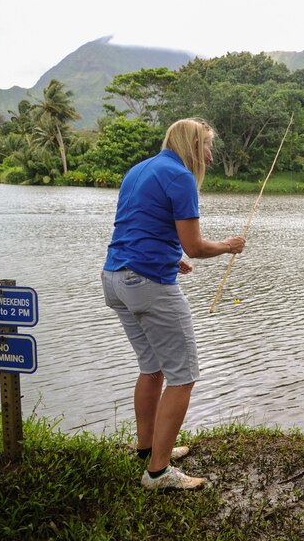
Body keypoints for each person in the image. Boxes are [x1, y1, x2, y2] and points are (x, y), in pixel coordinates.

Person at [101, 118, 246, 490]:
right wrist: (229, 246)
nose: (211, 156)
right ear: (194, 146)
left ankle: (147, 447)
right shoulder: (180, 176)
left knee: (152, 368)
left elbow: (140, 226)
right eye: (209, 147)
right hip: (147, 285)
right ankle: (158, 472)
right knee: (183, 376)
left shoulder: (140, 169)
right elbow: (195, 246)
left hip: (116, 278)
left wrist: (170, 257)